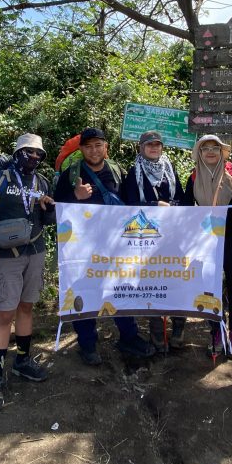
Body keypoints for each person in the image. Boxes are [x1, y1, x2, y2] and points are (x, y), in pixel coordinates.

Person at [53, 127, 155, 364]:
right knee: (84, 291)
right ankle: (87, 343)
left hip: (117, 246)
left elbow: (132, 206)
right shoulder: (71, 175)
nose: (94, 150)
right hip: (82, 249)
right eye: (88, 146)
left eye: (98, 145)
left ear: (106, 147)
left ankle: (128, 336)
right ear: (81, 149)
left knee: (121, 289)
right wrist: (74, 198)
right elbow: (56, 211)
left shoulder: (118, 172)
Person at [0, 133, 56, 412]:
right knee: (5, 314)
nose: (34, 157)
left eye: (39, 154)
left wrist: (48, 207)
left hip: (35, 252)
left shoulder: (43, 182)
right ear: (18, 152)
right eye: (29, 152)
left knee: (26, 307)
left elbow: (48, 220)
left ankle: (22, 361)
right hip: (4, 256)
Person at [182, 134, 232, 360]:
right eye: (205, 148)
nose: (210, 151)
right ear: (199, 153)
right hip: (206, 237)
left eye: (215, 147)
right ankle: (216, 332)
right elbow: (184, 206)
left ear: (222, 151)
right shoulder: (194, 176)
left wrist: (231, 212)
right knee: (210, 286)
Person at [122, 129, 187, 352]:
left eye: (158, 144)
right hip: (146, 239)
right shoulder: (134, 173)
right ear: (141, 148)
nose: (154, 148)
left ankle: (178, 330)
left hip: (173, 236)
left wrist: (175, 209)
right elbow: (127, 206)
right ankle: (157, 334)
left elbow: (183, 198)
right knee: (152, 283)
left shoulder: (170, 169)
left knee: (177, 281)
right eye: (149, 145)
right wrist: (153, 207)